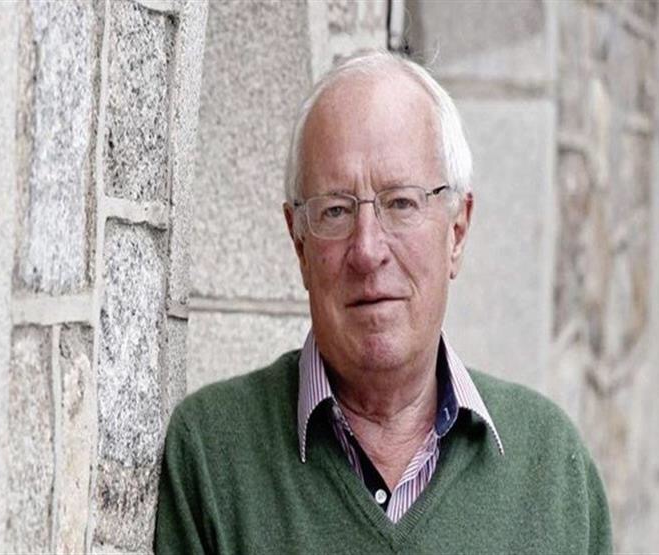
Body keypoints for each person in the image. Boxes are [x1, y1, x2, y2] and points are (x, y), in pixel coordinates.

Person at [155, 49, 612, 554]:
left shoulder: (552, 470)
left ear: (457, 231)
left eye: (401, 203)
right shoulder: (212, 455)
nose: (368, 250)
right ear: (299, 241)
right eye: (335, 211)